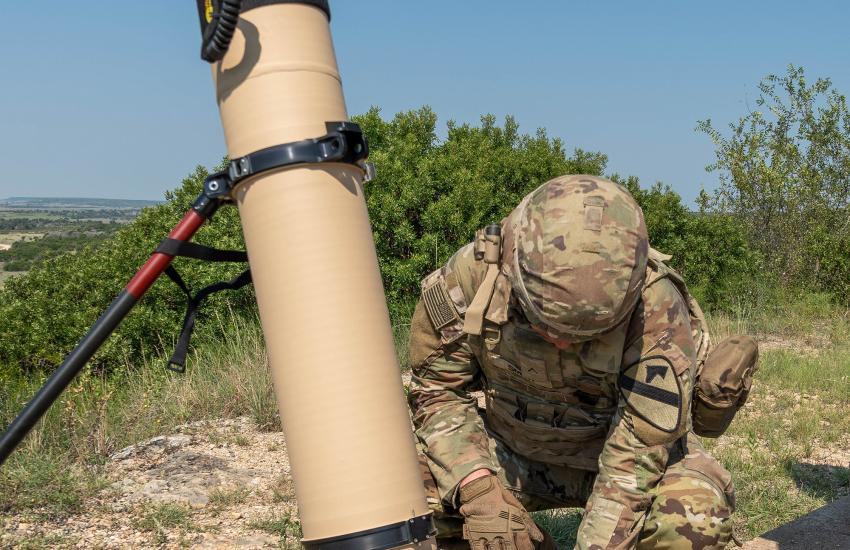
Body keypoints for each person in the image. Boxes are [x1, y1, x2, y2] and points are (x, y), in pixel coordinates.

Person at [408, 174, 752, 549]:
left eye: (588, 336)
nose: (560, 343)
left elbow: (636, 454)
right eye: (543, 325)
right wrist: (478, 489)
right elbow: (438, 391)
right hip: (511, 451)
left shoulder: (657, 306)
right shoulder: (472, 278)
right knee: (400, 498)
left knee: (692, 520)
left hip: (619, 458)